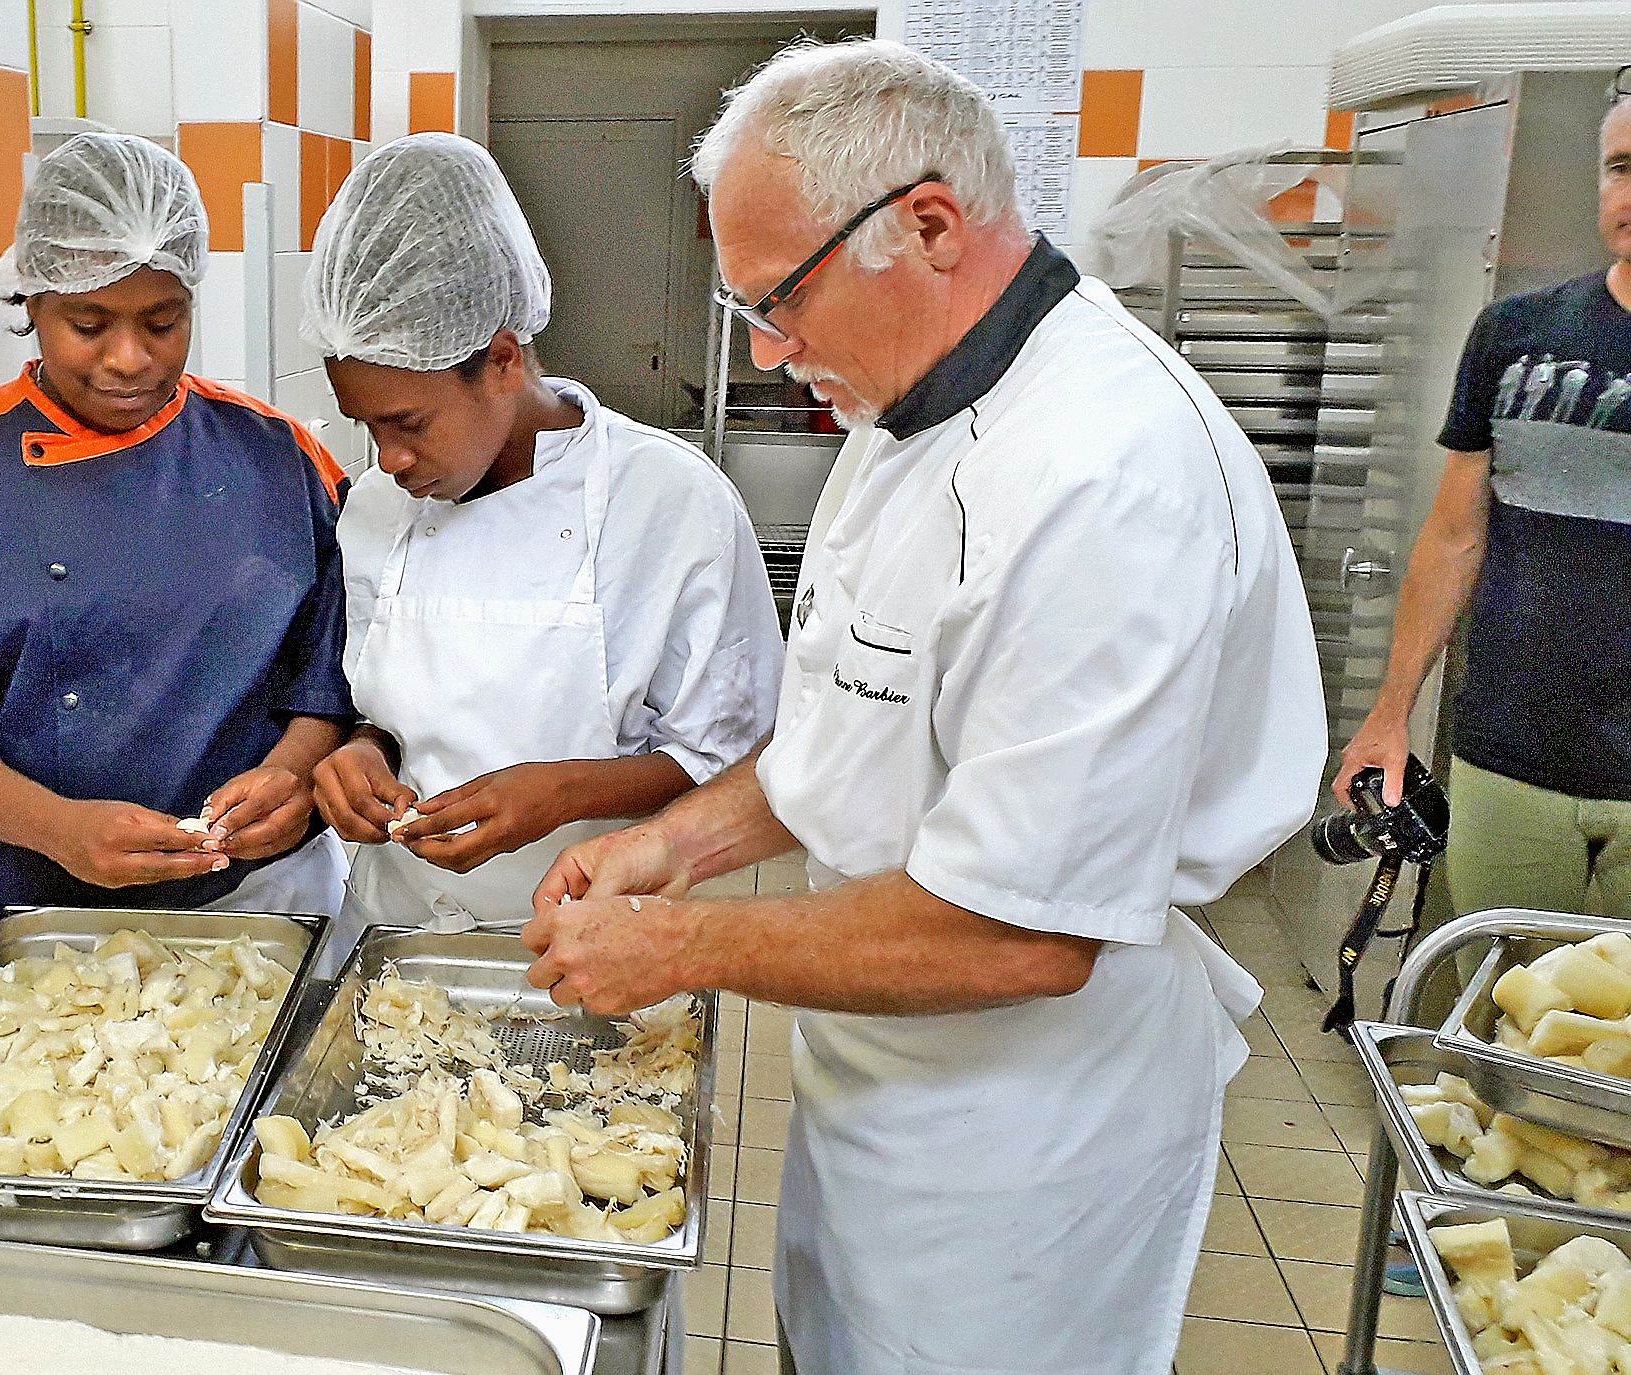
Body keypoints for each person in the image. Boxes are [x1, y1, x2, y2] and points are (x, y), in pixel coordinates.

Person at [518, 41, 1326, 1375]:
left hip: (1022, 1137)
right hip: (880, 1086)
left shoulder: (1102, 478)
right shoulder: (909, 411)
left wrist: (677, 947)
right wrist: (681, 845)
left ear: (929, 225)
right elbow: (858, 721)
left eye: (780, 301)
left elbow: (1021, 936)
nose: (775, 356)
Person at [298, 133, 782, 972]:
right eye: (366, 424)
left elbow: (731, 752)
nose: (388, 460)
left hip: (588, 949)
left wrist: (560, 792)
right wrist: (360, 753)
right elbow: (380, 699)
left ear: (500, 360)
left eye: (407, 423)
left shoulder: (667, 501)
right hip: (388, 942)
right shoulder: (375, 509)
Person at [0, 133, 354, 941]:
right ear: (32, 303)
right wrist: (59, 830)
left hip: (267, 896)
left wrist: (292, 774)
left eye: (163, 321)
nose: (129, 359)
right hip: (35, 912)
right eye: (88, 323)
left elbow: (331, 667)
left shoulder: (279, 456)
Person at [1336, 99, 1631, 919]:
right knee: (1501, 1010)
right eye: (1620, 168)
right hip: (1510, 758)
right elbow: (1453, 535)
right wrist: (1389, 713)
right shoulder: (1515, 334)